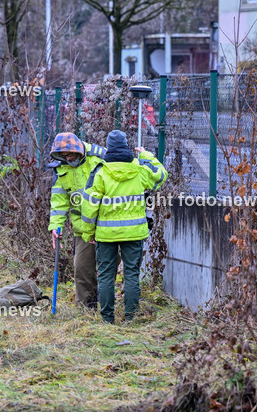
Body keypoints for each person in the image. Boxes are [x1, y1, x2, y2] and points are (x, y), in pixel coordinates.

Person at [80, 130, 167, 324]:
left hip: (106, 234)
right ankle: (131, 318)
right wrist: (146, 154)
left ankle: (107, 319)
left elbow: (89, 206)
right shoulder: (140, 169)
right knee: (131, 275)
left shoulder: (100, 172)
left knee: (105, 276)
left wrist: (88, 233)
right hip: (134, 233)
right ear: (127, 146)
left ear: (108, 148)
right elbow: (161, 174)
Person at [47, 132, 106, 308]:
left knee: (107, 270)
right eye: (63, 156)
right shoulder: (61, 168)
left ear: (78, 150)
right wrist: (55, 226)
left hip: (106, 224)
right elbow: (59, 200)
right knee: (81, 268)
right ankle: (85, 308)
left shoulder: (100, 156)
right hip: (82, 228)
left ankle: (106, 307)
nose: (68, 159)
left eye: (70, 155)